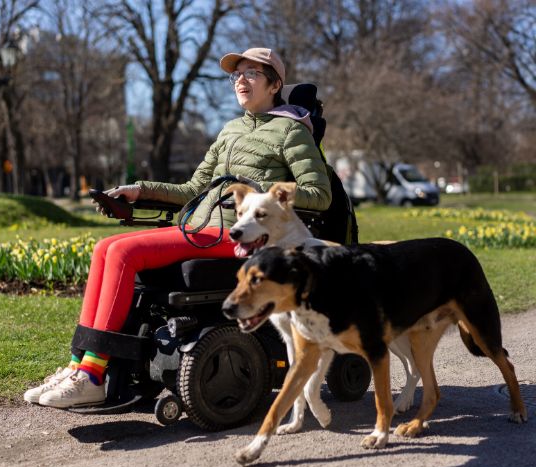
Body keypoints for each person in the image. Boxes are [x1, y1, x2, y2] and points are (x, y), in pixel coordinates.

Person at [24, 47, 332, 408]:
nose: (241, 81)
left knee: (123, 252)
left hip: (240, 236)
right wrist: (139, 190)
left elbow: (319, 194)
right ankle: (81, 366)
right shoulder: (230, 130)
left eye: (251, 74)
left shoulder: (291, 130)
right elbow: (192, 189)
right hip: (202, 227)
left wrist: (262, 195)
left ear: (275, 84)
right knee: (104, 247)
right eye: (237, 75)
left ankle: (93, 374)